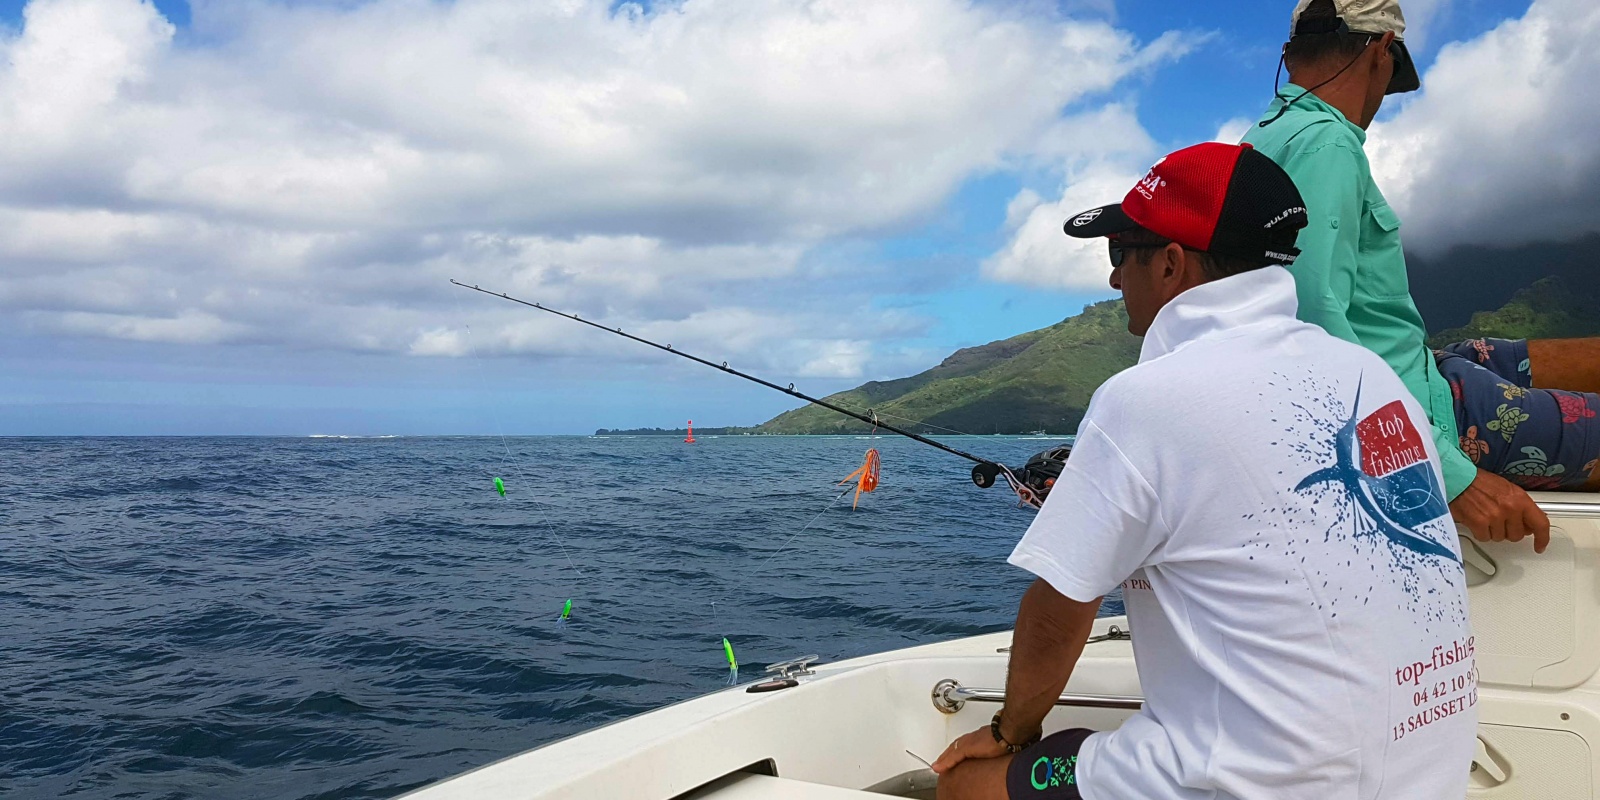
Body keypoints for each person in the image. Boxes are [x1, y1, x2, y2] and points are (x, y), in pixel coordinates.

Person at [932, 141, 1477, 799]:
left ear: (1169, 264)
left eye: (1119, 254)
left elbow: (1058, 611)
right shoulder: (1367, 375)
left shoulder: (1145, 399)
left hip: (1283, 782)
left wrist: (1009, 734)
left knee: (971, 785)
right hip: (1427, 770)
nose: (1112, 280)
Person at [1241, 0, 1600, 556]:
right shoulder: (1328, 144)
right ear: (1382, 50)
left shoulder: (1261, 139)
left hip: (1428, 370)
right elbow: (1309, 321)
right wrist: (1453, 477)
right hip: (1426, 416)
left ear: (1290, 57)